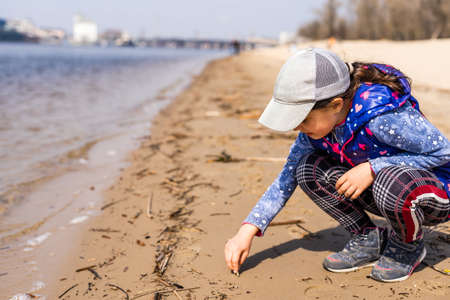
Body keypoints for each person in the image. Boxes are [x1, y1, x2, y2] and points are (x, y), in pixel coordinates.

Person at [224, 48, 450, 282]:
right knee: (306, 168)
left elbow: (443, 152)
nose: (295, 128)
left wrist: (374, 167)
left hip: (435, 193)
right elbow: (286, 177)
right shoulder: (316, 132)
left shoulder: (381, 117)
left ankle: (407, 245)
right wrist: (247, 230)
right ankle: (368, 237)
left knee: (388, 179)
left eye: (302, 119)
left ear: (335, 105)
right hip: (386, 192)